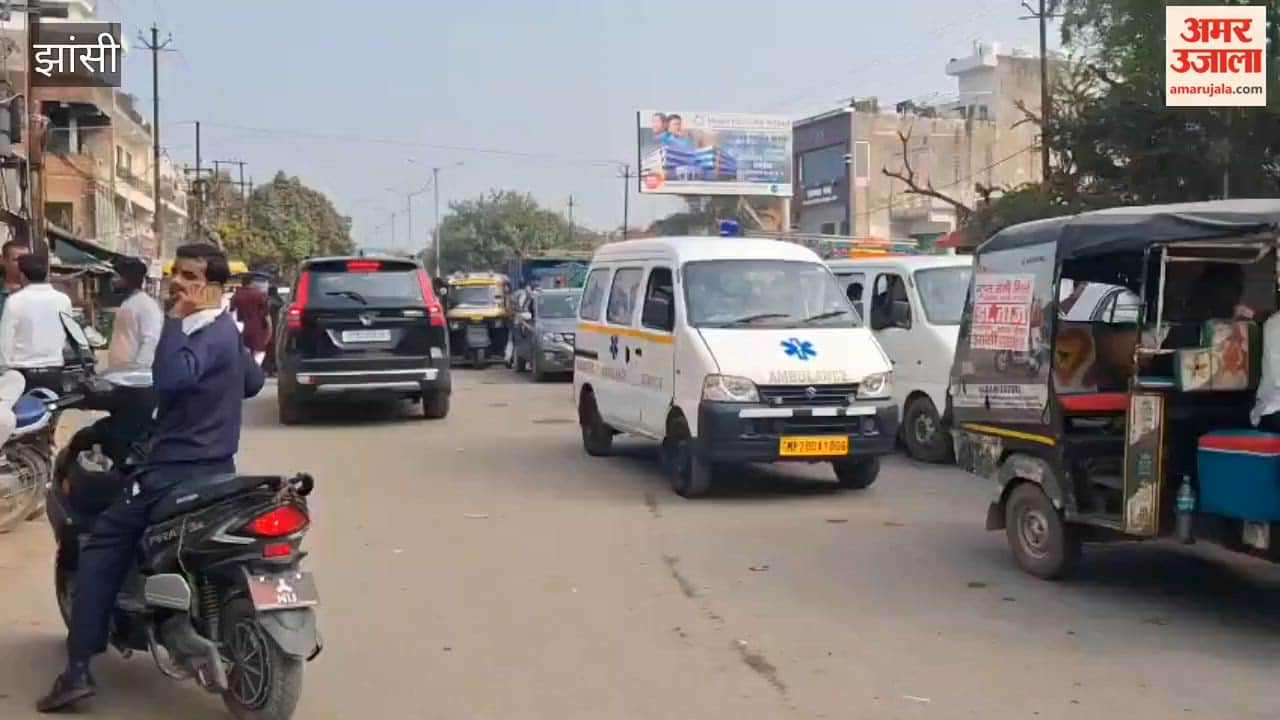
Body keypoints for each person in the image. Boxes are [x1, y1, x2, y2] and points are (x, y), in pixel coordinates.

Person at [37, 243, 265, 713]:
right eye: (177, 273)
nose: (180, 282)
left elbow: (170, 379)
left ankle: (78, 669)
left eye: (191, 276)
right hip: (218, 469)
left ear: (215, 286)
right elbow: (251, 384)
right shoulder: (225, 328)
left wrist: (176, 324)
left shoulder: (194, 330)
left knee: (102, 543)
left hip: (171, 472)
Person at [0, 254, 72, 393]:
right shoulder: (63, 300)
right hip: (54, 371)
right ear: (46, 273)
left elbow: (5, 341)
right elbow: (67, 334)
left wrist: (3, 370)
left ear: (22, 275)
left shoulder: (14, 301)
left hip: (22, 373)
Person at [106, 257, 163, 372]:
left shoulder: (146, 305)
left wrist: (138, 374)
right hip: (120, 374)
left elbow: (150, 341)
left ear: (129, 279)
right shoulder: (128, 302)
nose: (112, 280)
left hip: (133, 378)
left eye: (117, 276)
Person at [229, 275, 271, 366]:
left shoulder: (236, 295)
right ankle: (255, 369)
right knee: (258, 352)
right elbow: (266, 314)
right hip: (256, 328)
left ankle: (246, 371)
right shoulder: (259, 295)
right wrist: (269, 330)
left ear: (242, 283)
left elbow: (231, 312)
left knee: (243, 353)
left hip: (241, 328)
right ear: (251, 283)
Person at [0, 238, 31, 320]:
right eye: (17, 260)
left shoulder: (38, 293)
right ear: (3, 260)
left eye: (26, 260)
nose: (22, 264)